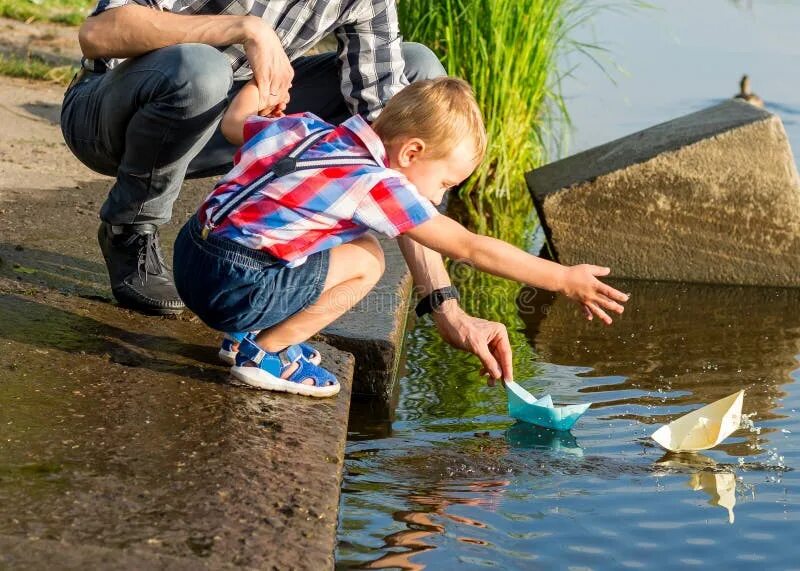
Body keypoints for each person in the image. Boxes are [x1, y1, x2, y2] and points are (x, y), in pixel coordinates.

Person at [61, 0, 530, 386]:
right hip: (118, 110)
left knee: (416, 70)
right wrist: (247, 29)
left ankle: (273, 264)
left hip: (244, 121)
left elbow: (396, 161)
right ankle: (131, 227)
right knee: (201, 67)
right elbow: (99, 35)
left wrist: (442, 302)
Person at [172, 77, 629, 397]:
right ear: (411, 152)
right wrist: (563, 278)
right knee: (368, 259)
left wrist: (261, 86)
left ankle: (242, 336)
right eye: (446, 183)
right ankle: (263, 354)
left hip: (190, 255)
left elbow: (236, 124)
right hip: (233, 286)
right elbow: (469, 246)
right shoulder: (376, 182)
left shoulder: (310, 129)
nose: (440, 195)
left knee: (308, 235)